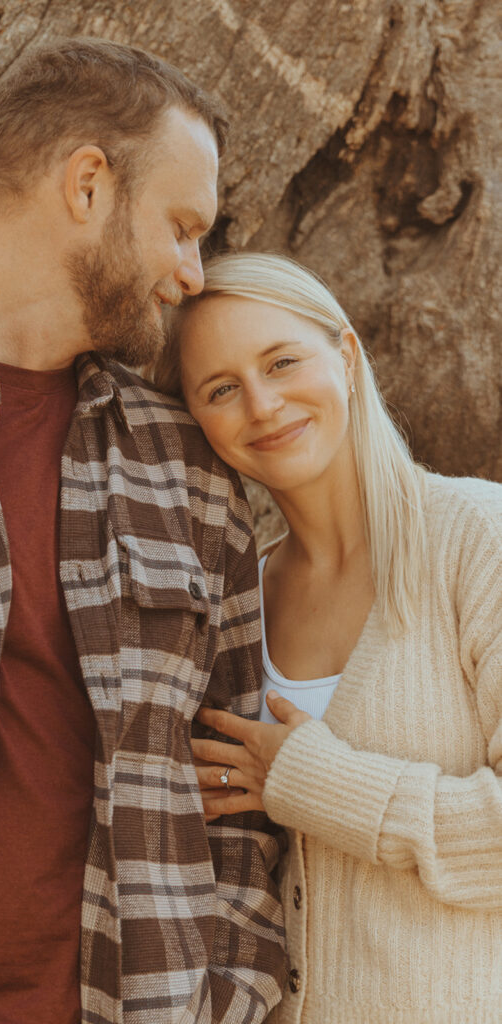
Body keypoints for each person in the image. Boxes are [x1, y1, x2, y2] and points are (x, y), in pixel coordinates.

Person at [0, 41, 289, 1024]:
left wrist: (232, 994)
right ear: (87, 185)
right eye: (180, 226)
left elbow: (243, 796)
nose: (189, 273)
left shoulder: (190, 471)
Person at [152, 251, 502, 1024]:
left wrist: (308, 780)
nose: (263, 404)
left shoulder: (478, 538)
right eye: (220, 389)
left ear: (344, 356)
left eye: (281, 361)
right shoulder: (232, 602)